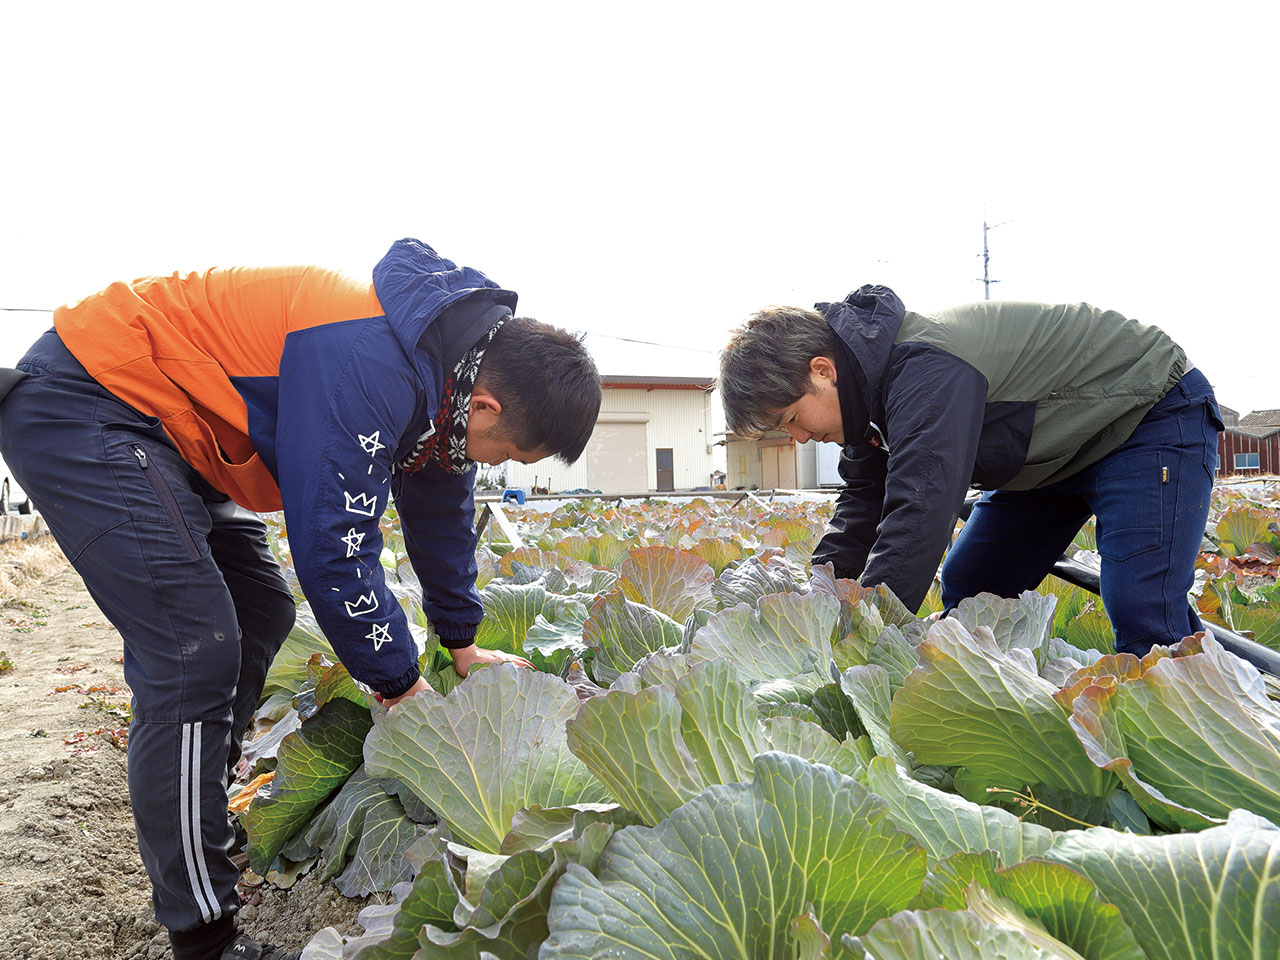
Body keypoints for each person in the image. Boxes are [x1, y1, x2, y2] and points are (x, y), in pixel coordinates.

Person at [0, 238, 601, 960]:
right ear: (484, 403)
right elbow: (333, 546)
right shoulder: (369, 357)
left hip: (173, 435)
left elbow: (439, 518)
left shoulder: (439, 385)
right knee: (196, 648)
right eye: (502, 453)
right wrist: (399, 688)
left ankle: (201, 813)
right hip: (91, 400)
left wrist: (462, 642)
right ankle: (206, 936)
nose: (491, 465)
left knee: (261, 607)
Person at [718, 285, 1223, 655]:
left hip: (1147, 417)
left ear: (822, 371)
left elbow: (919, 514)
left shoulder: (925, 369)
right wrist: (818, 601)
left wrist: (858, 635)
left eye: (790, 420)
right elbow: (861, 511)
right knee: (974, 583)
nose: (800, 438)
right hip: (1055, 456)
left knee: (1143, 609)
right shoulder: (868, 400)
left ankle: (1198, 749)